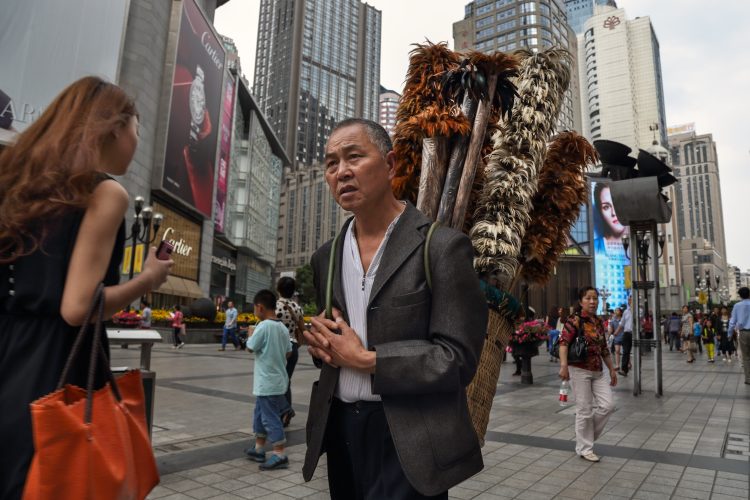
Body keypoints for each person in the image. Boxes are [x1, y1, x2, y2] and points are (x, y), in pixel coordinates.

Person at [0, 77, 173, 500]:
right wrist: (148, 279)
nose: (136, 139)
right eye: (137, 127)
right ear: (113, 127)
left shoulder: (17, 184)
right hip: (52, 370)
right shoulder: (105, 193)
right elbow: (78, 307)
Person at [302, 118, 487, 499]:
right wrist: (324, 348)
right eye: (331, 163)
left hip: (410, 438)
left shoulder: (441, 247)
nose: (342, 172)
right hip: (341, 432)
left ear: (390, 165)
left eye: (354, 157)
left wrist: (368, 359)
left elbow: (457, 359)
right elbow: (339, 345)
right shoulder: (327, 257)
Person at [558, 286, 617, 463]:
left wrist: (612, 369)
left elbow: (604, 348)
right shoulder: (575, 320)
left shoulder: (599, 322)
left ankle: (586, 437)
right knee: (584, 410)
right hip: (579, 369)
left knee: (608, 405)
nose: (592, 302)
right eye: (588, 298)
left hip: (598, 370)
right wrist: (563, 366)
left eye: (595, 298)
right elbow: (563, 343)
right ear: (581, 301)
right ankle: (585, 448)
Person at [244, 290, 293, 470]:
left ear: (260, 307)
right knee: (260, 414)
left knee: (270, 417)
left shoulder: (263, 326)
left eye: (254, 308)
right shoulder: (282, 327)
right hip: (276, 380)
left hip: (267, 383)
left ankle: (279, 454)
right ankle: (258, 448)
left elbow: (250, 347)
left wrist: (251, 333)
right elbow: (289, 351)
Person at [592, 183, 629, 311]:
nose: (614, 213)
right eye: (607, 207)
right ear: (600, 212)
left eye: (618, 204)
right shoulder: (595, 248)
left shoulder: (637, 249)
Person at [275, 276, 304, 427]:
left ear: (278, 289)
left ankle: (283, 411)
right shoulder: (296, 307)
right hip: (293, 348)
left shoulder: (274, 307)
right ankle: (286, 413)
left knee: (276, 381)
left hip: (278, 347)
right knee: (286, 381)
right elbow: (301, 327)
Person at [727, 287, 750, 383]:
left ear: (740, 295)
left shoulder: (737, 306)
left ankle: (748, 379)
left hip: (744, 333)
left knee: (746, 356)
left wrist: (729, 333)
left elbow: (732, 322)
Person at [613, 297, 633, 376]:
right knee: (625, 352)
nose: (629, 301)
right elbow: (622, 324)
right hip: (627, 333)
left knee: (637, 352)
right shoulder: (626, 312)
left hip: (636, 334)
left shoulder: (639, 310)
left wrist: (633, 309)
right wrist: (616, 332)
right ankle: (624, 370)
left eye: (631, 300)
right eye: (629, 300)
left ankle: (637, 368)